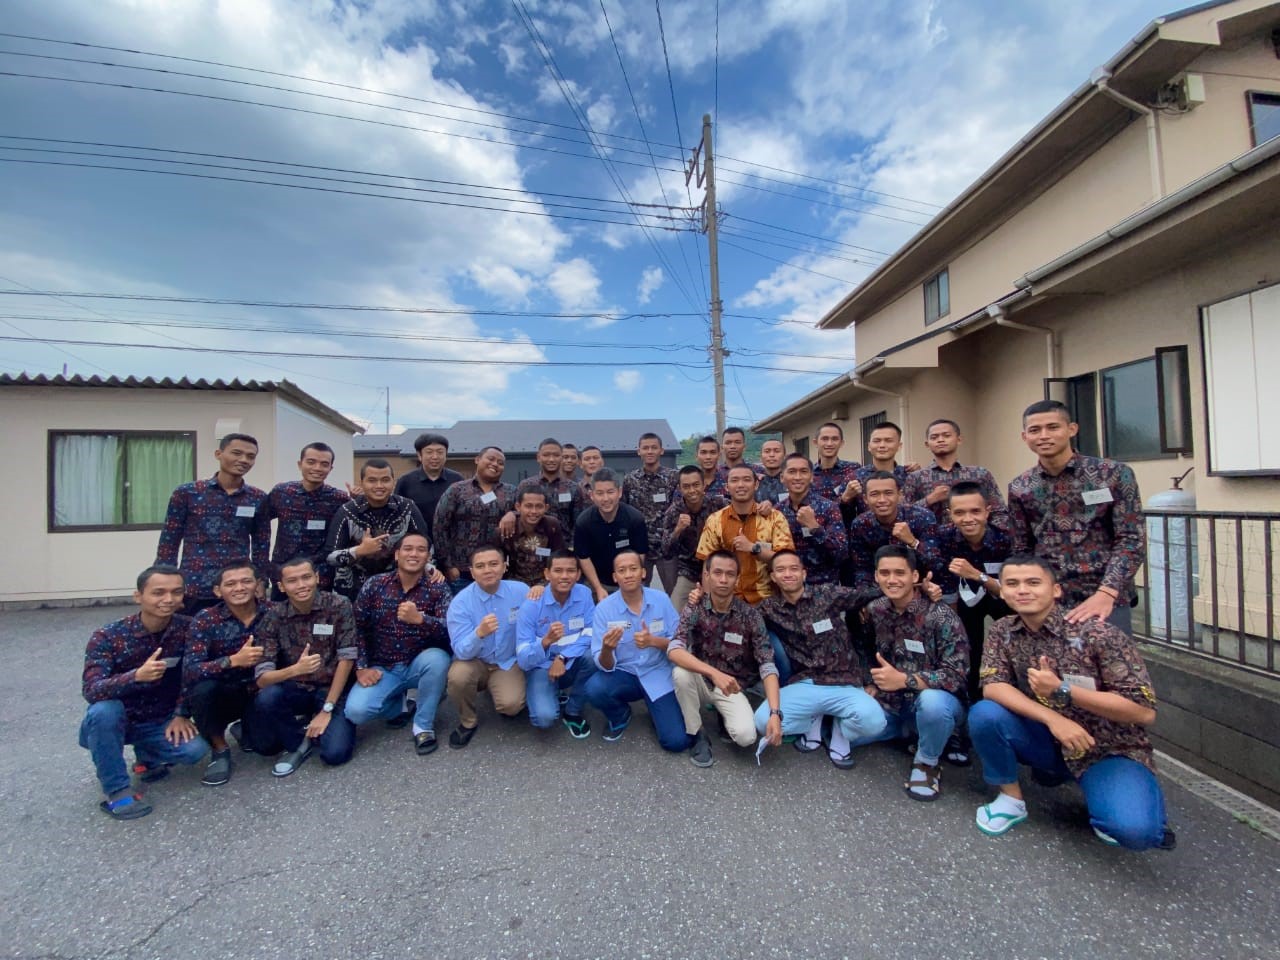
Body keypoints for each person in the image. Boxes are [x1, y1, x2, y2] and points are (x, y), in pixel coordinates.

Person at [969, 555, 1174, 851]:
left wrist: (1063, 690)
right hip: (1046, 739)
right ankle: (1011, 799)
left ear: (1056, 590)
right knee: (985, 714)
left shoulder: (1097, 633)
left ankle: (1112, 804)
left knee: (1135, 832)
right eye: (1012, 583)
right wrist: (1055, 719)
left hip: (1106, 748)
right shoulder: (1002, 631)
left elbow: (1142, 711)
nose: (1022, 590)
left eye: (1033, 582)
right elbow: (993, 685)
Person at [79, 566, 208, 820]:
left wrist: (181, 713)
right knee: (104, 710)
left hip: (159, 720)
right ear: (138, 596)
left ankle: (147, 757)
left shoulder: (189, 629)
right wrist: (135, 676)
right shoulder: (108, 636)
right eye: (158, 592)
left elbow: (192, 675)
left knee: (194, 751)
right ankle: (117, 792)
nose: (168, 599)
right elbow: (92, 689)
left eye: (176, 592)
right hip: (114, 722)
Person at [1008, 400, 1145, 634]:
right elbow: (1022, 548)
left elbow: (1131, 538)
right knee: (1049, 669)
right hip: (1048, 600)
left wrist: (1107, 592)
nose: (1043, 435)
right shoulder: (1021, 487)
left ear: (1072, 429)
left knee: (1111, 668)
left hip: (1105, 598)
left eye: (1053, 427)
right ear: (1024, 437)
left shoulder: (1112, 474)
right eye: (1034, 430)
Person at [753, 551, 886, 769]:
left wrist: (921, 589)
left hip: (844, 681)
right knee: (761, 721)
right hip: (806, 682)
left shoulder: (826, 594)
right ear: (773, 577)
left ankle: (840, 731)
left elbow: (867, 594)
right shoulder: (769, 608)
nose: (788, 574)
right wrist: (700, 600)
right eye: (781, 570)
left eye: (794, 569)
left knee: (874, 721)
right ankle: (812, 719)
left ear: (804, 573)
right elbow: (738, 617)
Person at [857, 546, 968, 801]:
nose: (892, 579)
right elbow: (864, 650)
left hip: (938, 700)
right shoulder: (876, 610)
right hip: (892, 702)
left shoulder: (940, 616)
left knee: (932, 704)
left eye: (899, 573)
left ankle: (927, 762)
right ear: (876, 576)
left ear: (915, 576)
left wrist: (904, 680)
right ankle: (911, 732)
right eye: (885, 573)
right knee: (846, 734)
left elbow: (956, 675)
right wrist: (869, 681)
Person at [668, 551, 782, 767]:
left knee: (746, 737)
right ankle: (697, 733)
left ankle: (723, 715)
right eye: (717, 573)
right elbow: (674, 649)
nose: (723, 579)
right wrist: (714, 674)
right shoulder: (695, 608)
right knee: (680, 673)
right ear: (707, 575)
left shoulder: (750, 615)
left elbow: (767, 664)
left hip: (733, 686)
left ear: (737, 579)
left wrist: (775, 713)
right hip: (702, 679)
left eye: (730, 574)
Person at [347, 532, 452, 755]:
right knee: (356, 711)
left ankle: (423, 726)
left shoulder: (438, 588)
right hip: (382, 667)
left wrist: (422, 620)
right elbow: (357, 628)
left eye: (421, 550)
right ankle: (401, 706)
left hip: (418, 664)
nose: (414, 554)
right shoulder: (375, 585)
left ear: (428, 557)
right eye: (408, 548)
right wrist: (362, 667)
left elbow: (449, 631)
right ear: (397, 554)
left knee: (438, 659)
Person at [252, 557, 357, 776]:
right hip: (296, 688)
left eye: (306, 577)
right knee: (267, 698)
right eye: (292, 581)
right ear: (280, 586)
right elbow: (262, 678)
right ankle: (299, 741)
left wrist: (327, 709)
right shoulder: (274, 616)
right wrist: (295, 670)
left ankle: (319, 723)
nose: (301, 585)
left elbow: (347, 659)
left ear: (317, 578)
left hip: (333, 690)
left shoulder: (339, 605)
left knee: (335, 754)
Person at [156, 433, 270, 615]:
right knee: (189, 637)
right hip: (194, 585)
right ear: (219, 454)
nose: (243, 460)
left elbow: (261, 544)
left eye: (250, 456)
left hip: (238, 586)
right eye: (236, 453)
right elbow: (169, 540)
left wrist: (261, 580)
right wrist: (164, 581)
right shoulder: (188, 493)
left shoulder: (258, 498)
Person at [583, 551, 687, 750]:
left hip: (658, 674)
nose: (628, 574)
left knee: (676, 742)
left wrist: (653, 641)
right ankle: (620, 714)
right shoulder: (604, 609)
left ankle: (656, 707)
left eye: (633, 569)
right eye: (622, 571)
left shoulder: (661, 599)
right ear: (615, 577)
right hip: (625, 674)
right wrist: (607, 649)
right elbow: (603, 663)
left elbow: (680, 642)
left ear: (643, 573)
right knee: (594, 688)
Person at [181, 561, 267, 786]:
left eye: (246, 581)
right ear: (218, 591)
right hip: (221, 693)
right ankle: (219, 748)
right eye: (230, 584)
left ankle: (246, 728)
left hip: (261, 691)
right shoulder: (205, 619)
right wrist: (231, 661)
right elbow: (191, 669)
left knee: (267, 746)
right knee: (201, 688)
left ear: (258, 585)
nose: (239, 588)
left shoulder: (274, 612)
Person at [445, 545, 530, 748]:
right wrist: (479, 633)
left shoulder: (521, 591)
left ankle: (500, 689)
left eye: (494, 564)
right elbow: (461, 651)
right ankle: (468, 721)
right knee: (458, 677)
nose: (488, 570)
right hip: (476, 662)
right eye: (480, 566)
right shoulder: (460, 603)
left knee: (511, 706)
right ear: (472, 572)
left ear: (504, 566)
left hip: (507, 662)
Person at [937, 482, 1012, 703]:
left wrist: (977, 575)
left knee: (1011, 637)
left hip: (1003, 597)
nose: (968, 519)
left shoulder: (1006, 538)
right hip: (964, 601)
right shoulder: (944, 538)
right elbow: (942, 577)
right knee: (968, 646)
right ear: (950, 514)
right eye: (960, 513)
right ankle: (969, 699)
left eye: (975, 511)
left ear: (988, 510)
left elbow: (1014, 593)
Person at [515, 550, 598, 737]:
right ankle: (547, 691)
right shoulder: (531, 606)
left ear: (578, 575)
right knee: (543, 719)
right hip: (540, 665)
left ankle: (572, 710)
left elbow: (591, 632)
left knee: (595, 656)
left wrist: (563, 657)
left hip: (569, 660)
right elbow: (523, 659)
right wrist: (545, 642)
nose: (564, 576)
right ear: (547, 574)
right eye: (558, 571)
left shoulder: (584, 594)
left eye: (570, 571)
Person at [326, 459, 429, 602]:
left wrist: (430, 569)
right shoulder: (347, 511)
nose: (379, 486)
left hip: (400, 587)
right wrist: (359, 551)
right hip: (354, 590)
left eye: (385, 480)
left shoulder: (407, 507)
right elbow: (330, 557)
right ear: (362, 482)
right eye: (372, 480)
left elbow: (426, 545)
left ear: (394, 482)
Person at [696, 464, 794, 605]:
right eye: (734, 480)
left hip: (767, 600)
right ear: (726, 487)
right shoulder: (715, 520)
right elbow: (707, 564)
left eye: (747, 480)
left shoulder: (775, 518)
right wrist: (708, 604)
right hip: (727, 601)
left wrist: (754, 548)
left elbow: (786, 561)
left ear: (756, 484)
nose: (740, 485)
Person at [266, 443, 350, 595]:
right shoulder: (282, 493)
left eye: (324, 464)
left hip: (319, 577)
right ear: (300, 464)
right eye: (311, 462)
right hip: (283, 575)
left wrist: (360, 499)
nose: (317, 468)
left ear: (330, 468)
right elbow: (260, 525)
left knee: (319, 618)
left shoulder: (339, 499)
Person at [432, 446, 518, 593]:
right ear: (477, 460)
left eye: (500, 462)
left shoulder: (511, 492)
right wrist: (448, 565)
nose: (495, 464)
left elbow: (528, 513)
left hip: (496, 570)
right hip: (461, 570)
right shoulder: (457, 490)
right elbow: (439, 526)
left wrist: (514, 514)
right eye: (491, 459)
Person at [903, 419, 1009, 528]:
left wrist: (990, 536)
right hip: (933, 541)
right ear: (927, 444)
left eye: (946, 435)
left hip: (976, 540)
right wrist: (930, 499)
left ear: (959, 439)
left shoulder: (979, 474)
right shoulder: (916, 478)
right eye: (934, 437)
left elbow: (1000, 512)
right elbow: (904, 514)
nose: (940, 440)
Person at [847, 471, 941, 588]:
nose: (882, 500)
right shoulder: (860, 524)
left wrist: (912, 542)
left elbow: (936, 563)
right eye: (875, 494)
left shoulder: (922, 517)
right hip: (880, 588)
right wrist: (865, 598)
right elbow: (862, 569)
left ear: (900, 495)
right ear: (865, 499)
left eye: (888, 493)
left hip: (921, 586)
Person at [573, 468, 649, 601]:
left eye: (610, 492)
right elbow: (584, 558)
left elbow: (640, 555)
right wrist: (598, 588)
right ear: (592, 495)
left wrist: (628, 585)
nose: (606, 498)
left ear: (619, 492)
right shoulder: (583, 522)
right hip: (596, 581)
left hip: (628, 579)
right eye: (600, 493)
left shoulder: (635, 519)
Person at [660, 465, 728, 611]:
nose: (692, 490)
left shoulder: (719, 505)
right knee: (674, 611)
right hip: (688, 571)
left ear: (704, 485)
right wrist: (677, 530)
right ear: (679, 488)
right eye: (686, 486)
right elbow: (666, 551)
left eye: (696, 485)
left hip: (719, 568)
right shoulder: (673, 512)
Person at [775, 453, 847, 585]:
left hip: (823, 589)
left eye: (803, 472)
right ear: (782, 477)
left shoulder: (828, 508)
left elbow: (841, 554)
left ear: (812, 477)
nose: (797, 477)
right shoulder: (777, 511)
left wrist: (815, 528)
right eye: (792, 472)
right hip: (787, 588)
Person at [621, 432, 678, 591]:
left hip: (666, 547)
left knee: (672, 593)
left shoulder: (673, 477)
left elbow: (679, 508)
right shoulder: (630, 479)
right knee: (637, 591)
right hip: (639, 546)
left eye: (654, 447)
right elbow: (624, 510)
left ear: (662, 450)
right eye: (645, 448)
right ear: (639, 451)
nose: (650, 451)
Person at [505, 438, 586, 541]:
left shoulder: (573, 488)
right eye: (546, 455)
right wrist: (510, 514)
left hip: (561, 548)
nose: (551, 459)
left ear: (561, 458)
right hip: (531, 546)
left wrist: (572, 547)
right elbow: (517, 512)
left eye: (556, 455)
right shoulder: (526, 485)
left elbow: (578, 522)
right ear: (538, 457)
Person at [393, 433, 463, 543]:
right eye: (429, 452)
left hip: (450, 542)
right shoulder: (405, 481)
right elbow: (397, 514)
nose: (435, 457)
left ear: (446, 455)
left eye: (440, 452)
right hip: (416, 542)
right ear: (419, 455)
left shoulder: (457, 480)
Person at [500, 486, 566, 586]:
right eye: (528, 506)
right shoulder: (508, 527)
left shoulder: (552, 525)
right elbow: (499, 562)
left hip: (546, 582)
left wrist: (546, 584)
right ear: (518, 507)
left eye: (539, 506)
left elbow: (558, 557)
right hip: (514, 583)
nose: (534, 511)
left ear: (546, 507)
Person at [809, 421, 863, 519]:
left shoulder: (853, 469)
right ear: (815, 442)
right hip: (815, 530)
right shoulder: (808, 474)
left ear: (841, 443)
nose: (829, 443)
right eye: (825, 439)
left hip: (847, 531)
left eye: (834, 439)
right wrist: (844, 498)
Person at [855, 422, 919, 491]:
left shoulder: (910, 475)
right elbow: (843, 500)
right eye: (877, 441)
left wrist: (919, 474)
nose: (882, 445)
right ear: (869, 446)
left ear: (899, 446)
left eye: (889, 441)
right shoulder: (855, 477)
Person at [756, 438, 786, 503]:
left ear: (784, 456)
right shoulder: (755, 482)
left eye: (777, 451)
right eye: (767, 451)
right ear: (760, 457)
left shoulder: (791, 482)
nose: (772, 455)